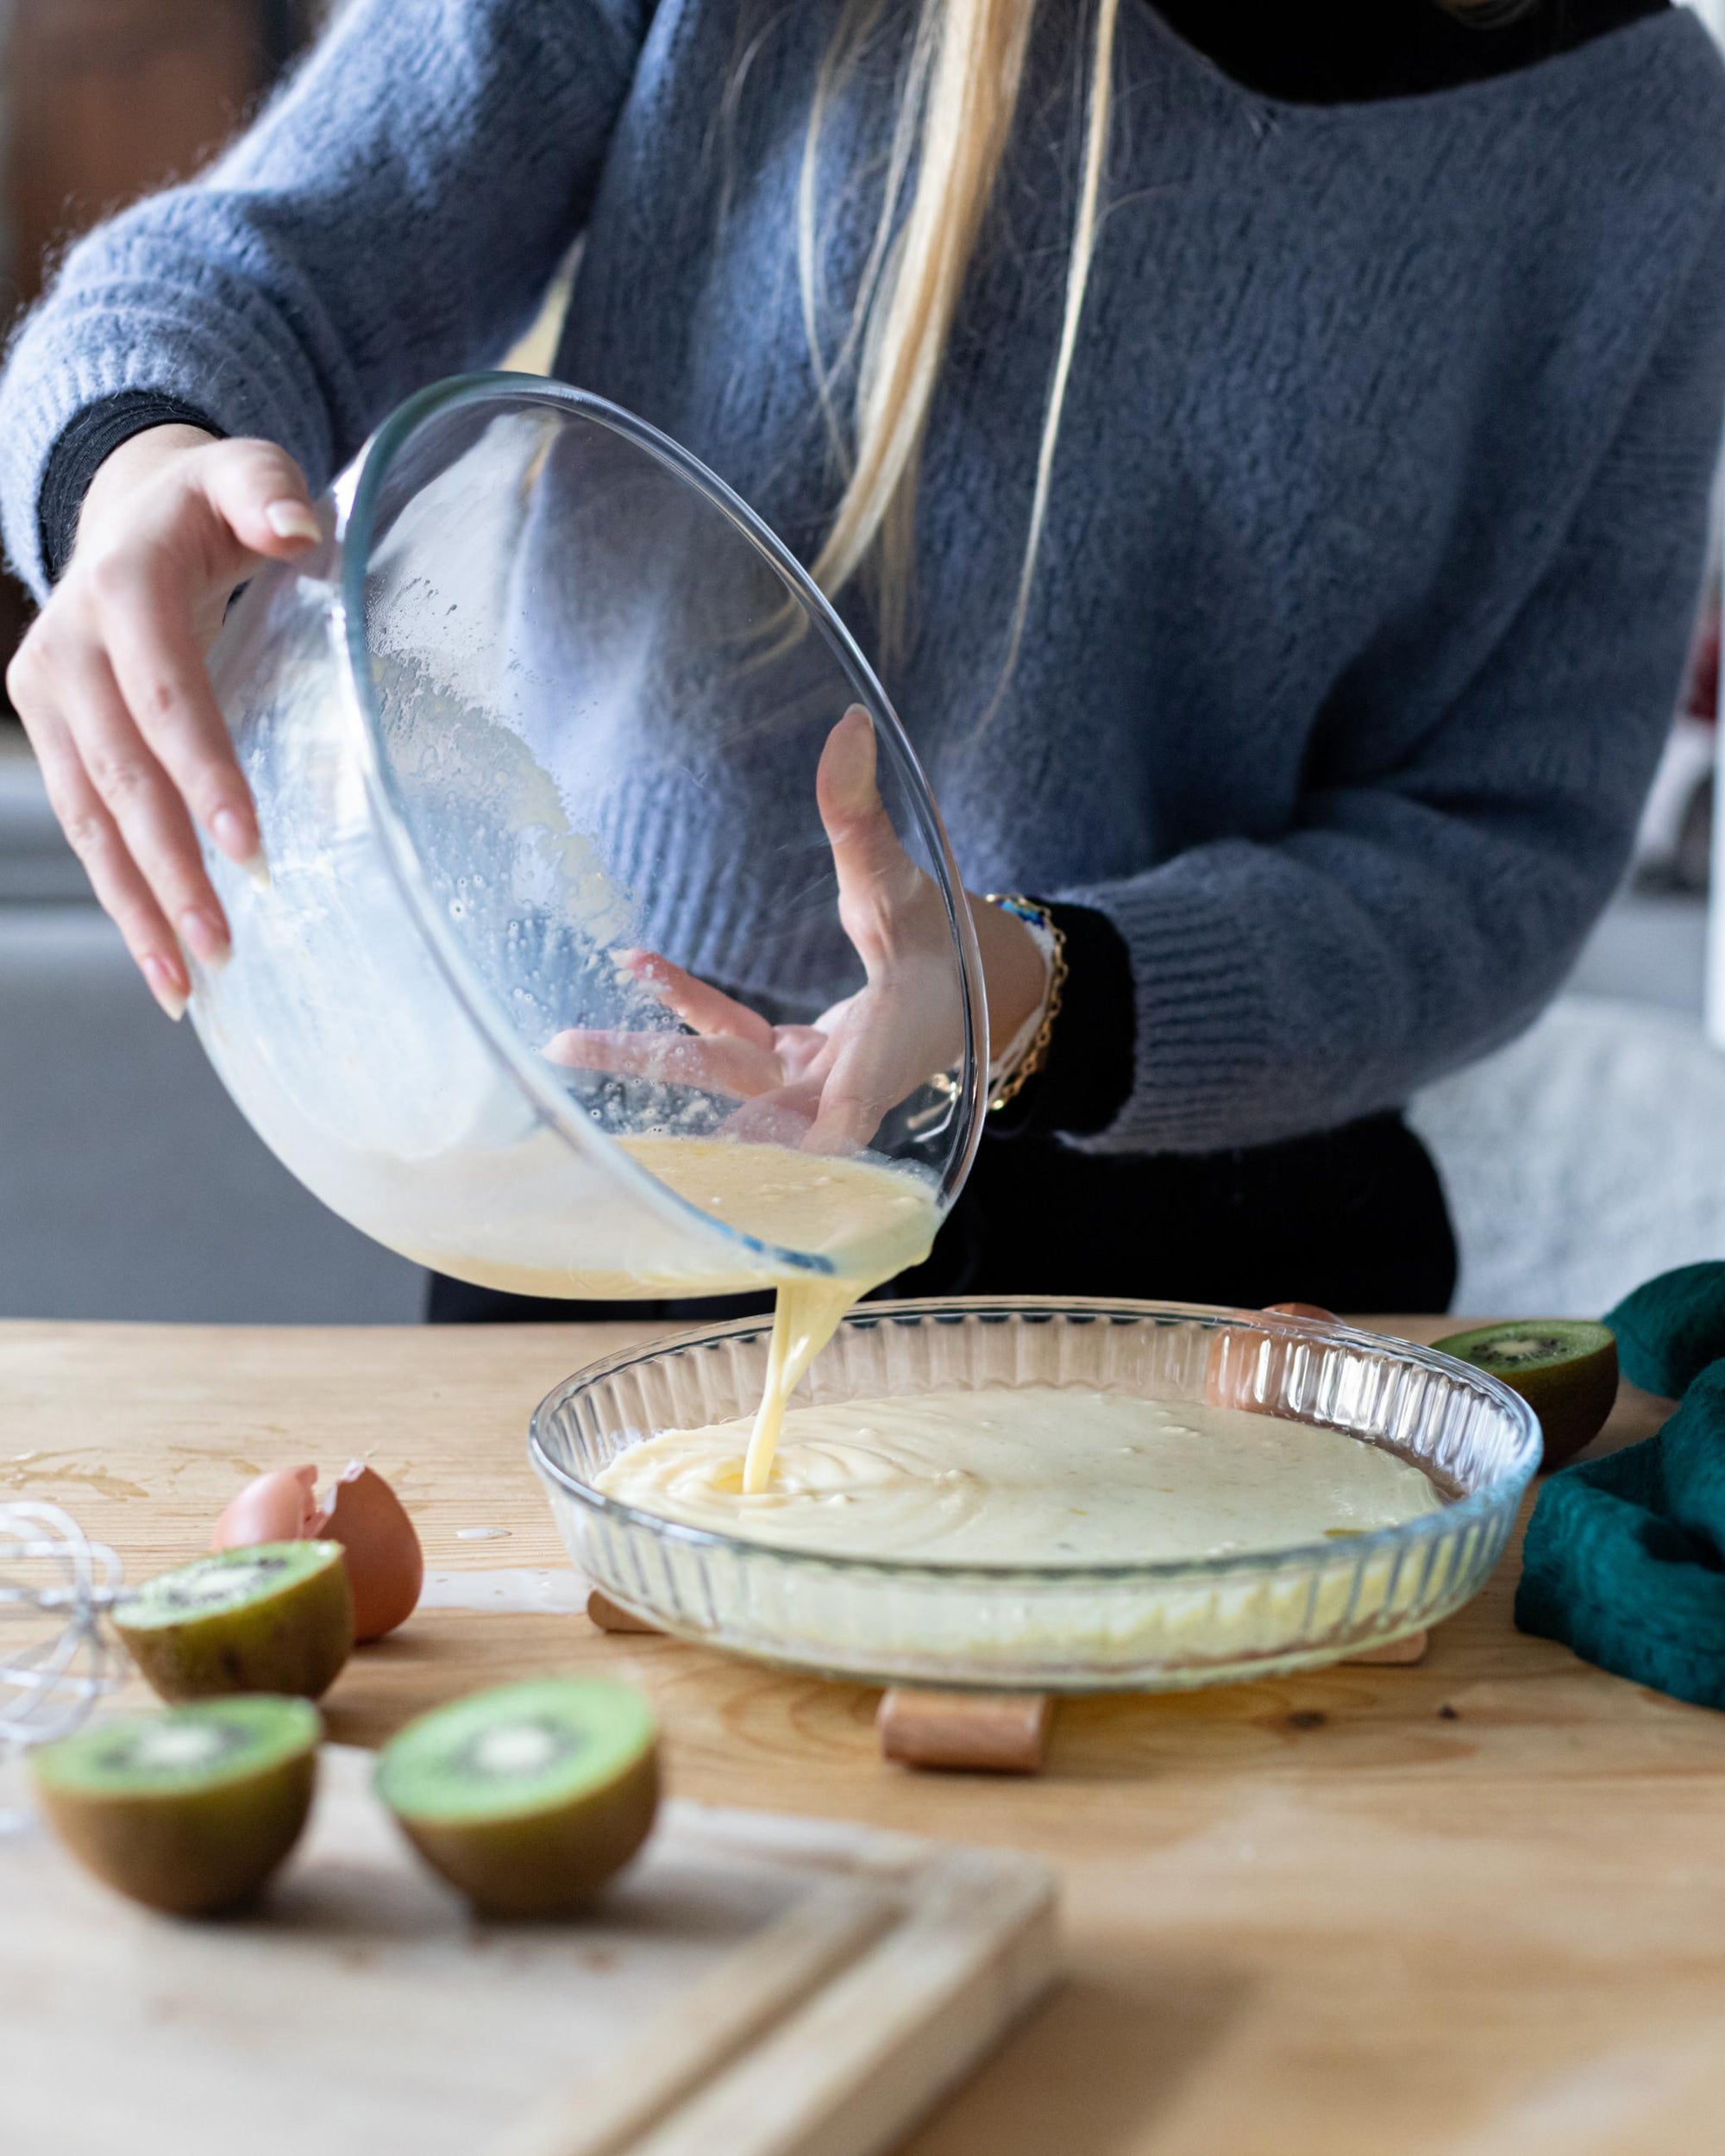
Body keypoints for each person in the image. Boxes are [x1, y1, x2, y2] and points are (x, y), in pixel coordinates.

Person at [3, 0, 1723, 1319]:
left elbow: (1496, 850)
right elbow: (265, 265)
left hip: (1206, 1266)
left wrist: (1026, 987)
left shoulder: (1644, 137)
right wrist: (139, 469)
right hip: (614, 1158)